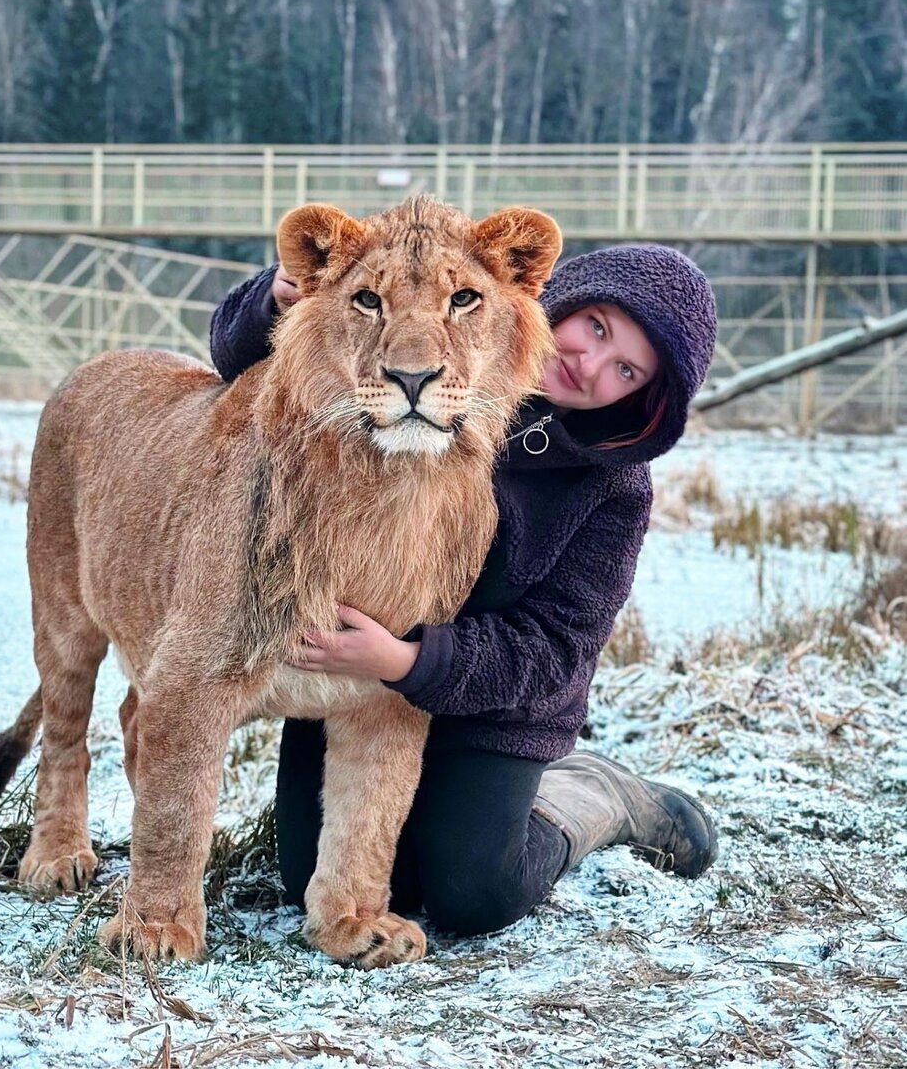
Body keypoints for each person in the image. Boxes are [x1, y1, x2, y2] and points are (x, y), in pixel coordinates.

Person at [208, 238, 718, 937]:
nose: (588, 362)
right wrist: (283, 297)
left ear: (643, 398)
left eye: (625, 368)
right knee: (308, 881)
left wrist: (408, 661)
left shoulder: (614, 489)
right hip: (357, 680)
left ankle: (595, 794)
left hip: (491, 702)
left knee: (474, 891)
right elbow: (246, 367)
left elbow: (558, 646)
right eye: (594, 327)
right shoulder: (416, 363)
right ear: (550, 299)